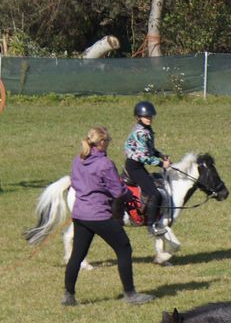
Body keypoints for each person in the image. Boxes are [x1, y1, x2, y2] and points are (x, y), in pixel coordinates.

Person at [64, 126, 154, 306]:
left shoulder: (78, 160)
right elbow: (117, 191)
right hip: (99, 215)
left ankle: (68, 295)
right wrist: (130, 197)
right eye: (108, 141)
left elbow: (75, 182)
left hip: (80, 214)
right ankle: (130, 294)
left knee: (77, 255)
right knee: (124, 249)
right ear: (102, 143)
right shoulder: (105, 164)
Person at [122, 100, 170, 236]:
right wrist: (161, 164)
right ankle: (152, 226)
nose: (149, 119)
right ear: (138, 117)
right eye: (146, 117)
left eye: (150, 116)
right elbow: (143, 156)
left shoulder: (146, 130)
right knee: (154, 193)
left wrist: (161, 155)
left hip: (138, 165)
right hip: (134, 167)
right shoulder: (140, 133)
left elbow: (150, 149)